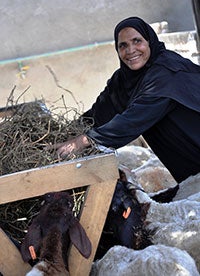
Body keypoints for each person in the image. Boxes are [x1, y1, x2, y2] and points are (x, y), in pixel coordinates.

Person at [53, 17, 200, 183]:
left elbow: (134, 119)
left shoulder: (167, 72)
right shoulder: (123, 80)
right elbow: (98, 114)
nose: (130, 50)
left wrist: (84, 141)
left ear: (150, 41)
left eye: (137, 41)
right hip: (187, 164)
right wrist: (62, 135)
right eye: (123, 45)